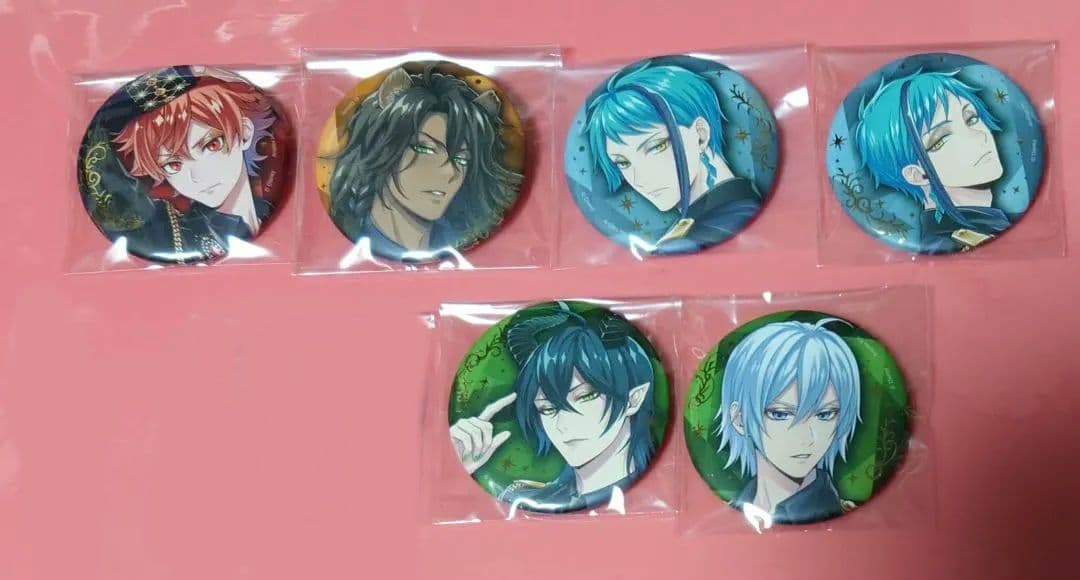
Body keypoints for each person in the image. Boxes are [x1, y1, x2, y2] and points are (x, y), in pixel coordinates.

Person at [450, 303, 656, 512]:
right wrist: (463, 467)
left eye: (586, 396)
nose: (562, 425)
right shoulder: (523, 497)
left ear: (633, 399)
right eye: (547, 409)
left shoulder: (655, 496)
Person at [327, 64, 523, 261]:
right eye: (425, 149)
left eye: (461, 158)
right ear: (380, 145)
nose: (450, 172)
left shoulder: (464, 237)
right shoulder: (352, 236)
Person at [584, 61, 763, 254]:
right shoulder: (693, 226)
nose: (639, 179)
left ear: (700, 135)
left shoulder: (728, 217)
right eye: (623, 162)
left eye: (657, 146)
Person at [110, 67, 278, 262]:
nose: (198, 177)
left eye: (211, 145)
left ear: (245, 133)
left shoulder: (264, 206)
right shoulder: (173, 236)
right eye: (173, 165)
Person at [714, 319, 861, 525]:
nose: (806, 438)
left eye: (825, 414)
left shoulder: (841, 509)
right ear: (739, 419)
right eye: (780, 414)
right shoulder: (734, 504)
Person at [854, 70, 1010, 253]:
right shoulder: (946, 247)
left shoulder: (989, 227)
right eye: (941, 139)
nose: (977, 136)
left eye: (971, 118)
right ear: (916, 174)